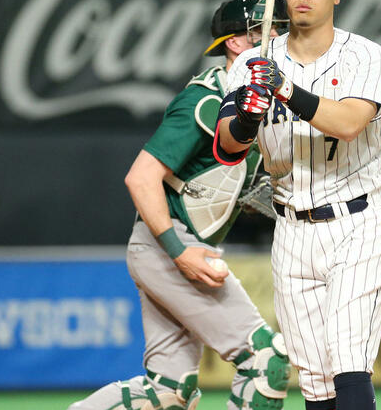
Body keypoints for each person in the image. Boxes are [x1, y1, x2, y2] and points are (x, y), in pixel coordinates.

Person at [67, 1, 290, 410]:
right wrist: (178, 253)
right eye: (266, 30)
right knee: (266, 362)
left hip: (171, 247)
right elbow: (140, 177)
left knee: (167, 391)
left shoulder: (254, 101)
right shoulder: (203, 101)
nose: (278, 37)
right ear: (239, 41)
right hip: (168, 246)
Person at [214, 1, 381, 409]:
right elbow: (227, 146)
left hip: (359, 222)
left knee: (348, 357)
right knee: (316, 382)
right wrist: (247, 119)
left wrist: (285, 89)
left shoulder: (365, 55)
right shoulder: (250, 61)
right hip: (291, 230)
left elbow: (350, 124)